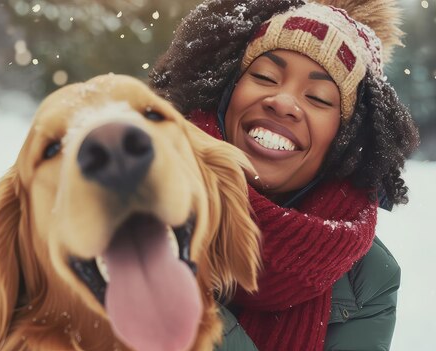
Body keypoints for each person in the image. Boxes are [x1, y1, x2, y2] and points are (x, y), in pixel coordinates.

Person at [150, 0, 420, 350]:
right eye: (264, 77)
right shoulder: (121, 199)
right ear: (224, 92)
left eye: (319, 98)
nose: (283, 102)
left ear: (344, 140)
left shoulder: (368, 280)